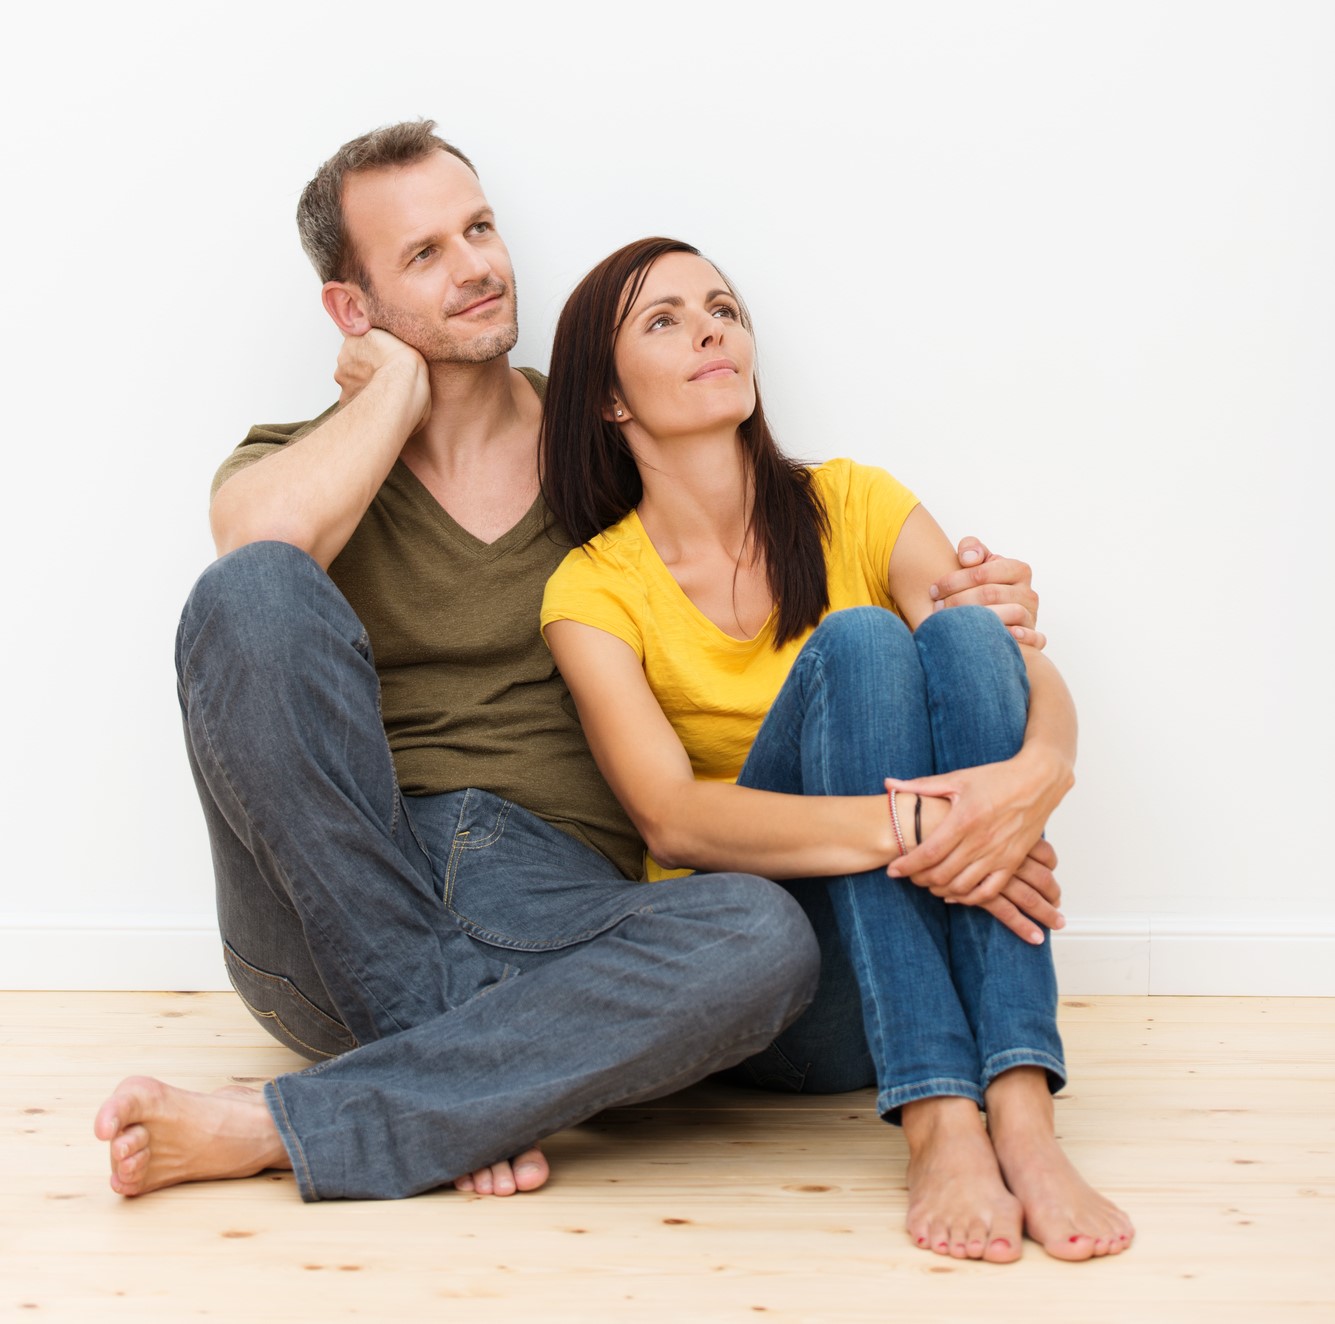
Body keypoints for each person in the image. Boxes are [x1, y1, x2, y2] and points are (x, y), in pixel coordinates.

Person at [94, 123, 1043, 1204]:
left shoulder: (601, 440)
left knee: (758, 933)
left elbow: (752, 517)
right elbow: (254, 552)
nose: (477, 267)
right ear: (351, 311)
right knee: (251, 588)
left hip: (557, 912)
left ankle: (379, 1102)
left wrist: (984, 637)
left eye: (480, 228)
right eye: (423, 256)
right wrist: (394, 393)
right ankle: (449, 1069)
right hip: (336, 903)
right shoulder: (300, 463)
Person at [538, 237, 1135, 1261]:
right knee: (860, 639)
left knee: (959, 628)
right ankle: (940, 1117)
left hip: (923, 966)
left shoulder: (856, 501)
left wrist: (1039, 777)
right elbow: (670, 816)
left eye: (722, 306)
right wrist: (930, 822)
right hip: (782, 989)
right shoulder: (591, 589)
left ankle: (1021, 1109)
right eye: (665, 319)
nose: (711, 328)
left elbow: (1007, 659)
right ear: (608, 399)